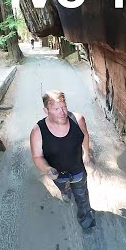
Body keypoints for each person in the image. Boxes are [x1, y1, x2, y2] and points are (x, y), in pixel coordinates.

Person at [30, 90, 96, 231]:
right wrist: (47, 169)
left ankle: (86, 220)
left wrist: (86, 153)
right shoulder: (38, 131)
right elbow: (37, 156)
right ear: (46, 110)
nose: (62, 112)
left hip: (78, 171)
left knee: (82, 196)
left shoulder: (78, 120)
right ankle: (65, 192)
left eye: (64, 107)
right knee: (64, 188)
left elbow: (85, 135)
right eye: (56, 109)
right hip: (57, 174)